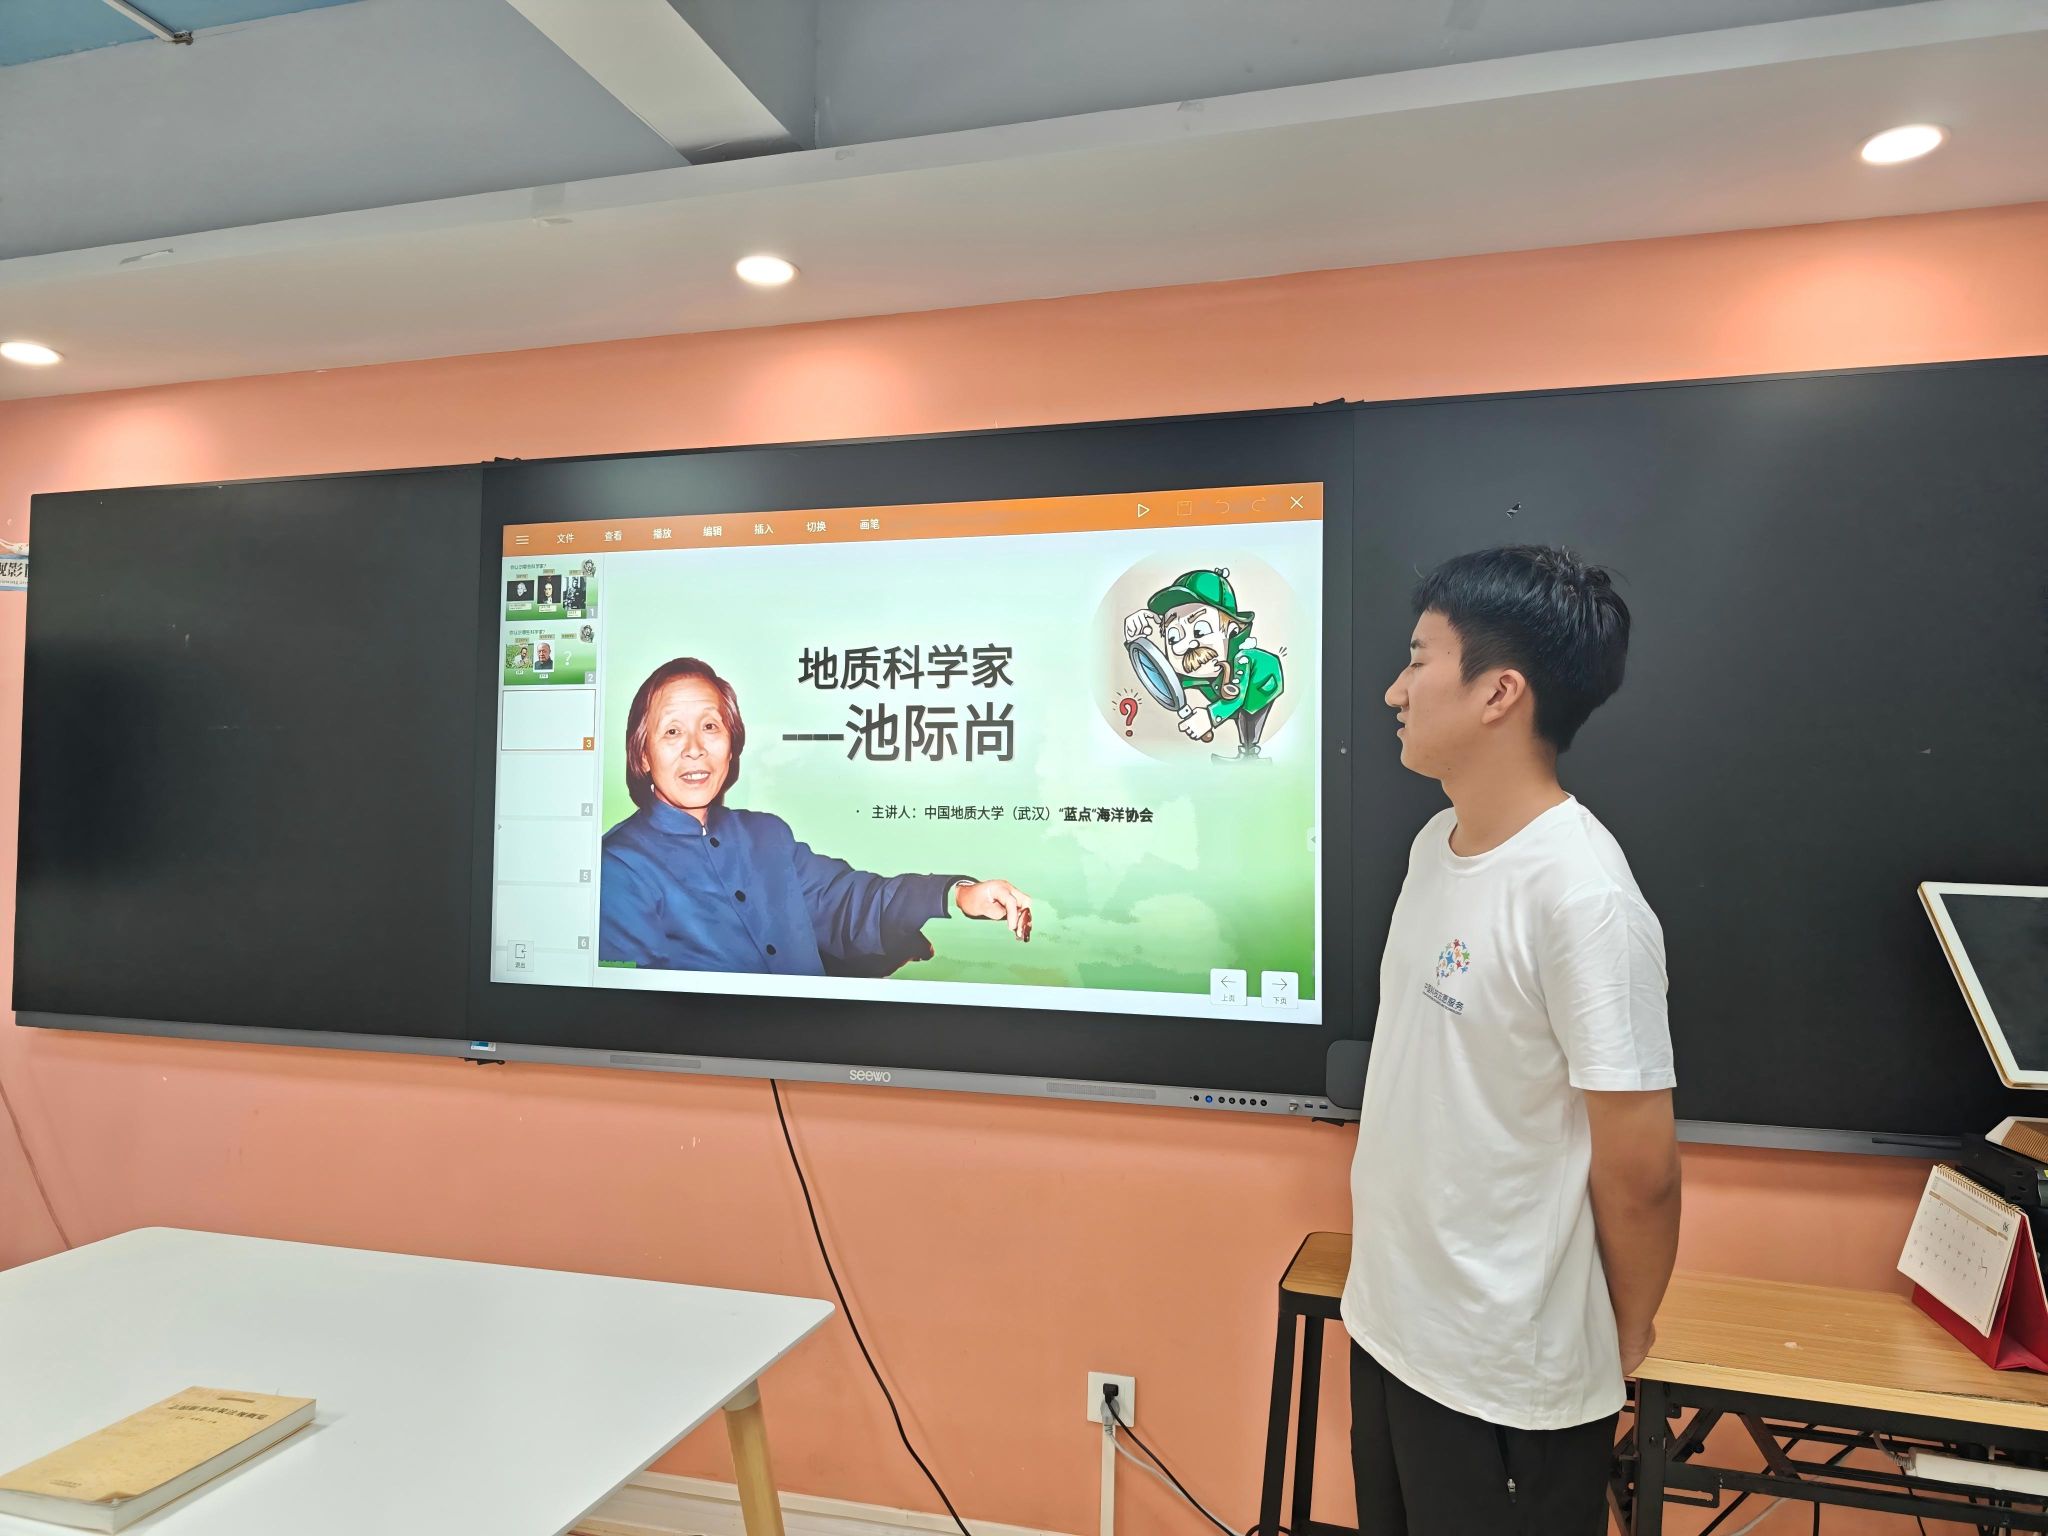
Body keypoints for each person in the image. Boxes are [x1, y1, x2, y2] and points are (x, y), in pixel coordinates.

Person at [1345, 546, 1680, 1535]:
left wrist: (1622, 1334)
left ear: (1498, 692)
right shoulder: (1433, 846)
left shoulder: (1582, 898)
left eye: (1419, 661)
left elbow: (1640, 1168)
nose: (1394, 690)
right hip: (1392, 1323)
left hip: (1507, 1375)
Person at [600, 657, 1033, 976]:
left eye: (710, 726)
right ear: (643, 753)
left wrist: (958, 895)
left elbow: (849, 901)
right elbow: (639, 1015)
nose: (695, 748)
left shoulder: (767, 835)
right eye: (672, 731)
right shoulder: (618, 867)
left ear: (732, 744)